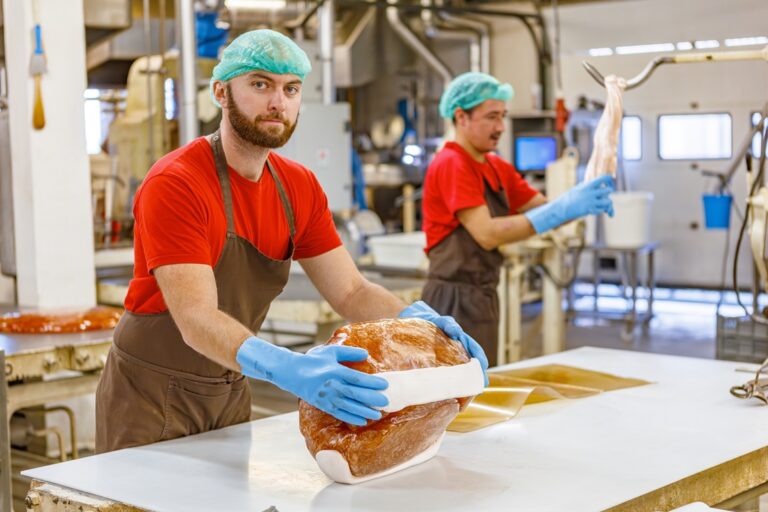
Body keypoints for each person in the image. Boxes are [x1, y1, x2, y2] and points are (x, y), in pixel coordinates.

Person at [95, 30, 488, 453]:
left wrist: (419, 324)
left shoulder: (298, 187)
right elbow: (195, 318)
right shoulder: (177, 183)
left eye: (291, 89)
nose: (278, 103)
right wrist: (289, 367)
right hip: (150, 393)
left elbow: (351, 291)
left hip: (229, 384)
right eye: (260, 84)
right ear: (221, 92)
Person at [421, 72, 615, 367]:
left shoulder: (496, 167)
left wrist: (579, 200)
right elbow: (487, 234)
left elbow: (545, 208)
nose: (501, 127)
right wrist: (562, 209)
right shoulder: (452, 163)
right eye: (491, 117)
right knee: (454, 385)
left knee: (481, 381)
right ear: (461, 117)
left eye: (503, 116)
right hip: (452, 299)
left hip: (483, 295)